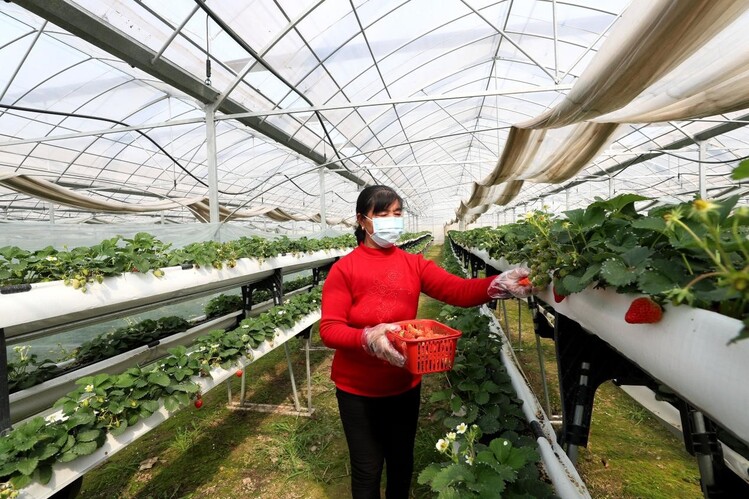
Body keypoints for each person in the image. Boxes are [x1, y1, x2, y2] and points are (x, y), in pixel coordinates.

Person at [319, 185, 532, 499]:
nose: (392, 220)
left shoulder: (412, 264)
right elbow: (329, 329)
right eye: (382, 214)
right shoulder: (344, 270)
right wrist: (367, 337)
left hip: (404, 382)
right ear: (362, 220)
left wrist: (497, 284)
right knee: (367, 467)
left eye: (396, 213)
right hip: (357, 389)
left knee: (401, 460)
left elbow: (458, 291)